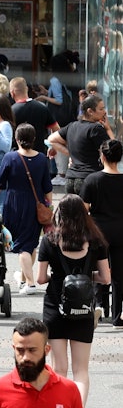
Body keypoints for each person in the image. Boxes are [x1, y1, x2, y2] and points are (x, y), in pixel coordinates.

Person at [36, 194, 110, 407]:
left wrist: (59, 276)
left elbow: (41, 278)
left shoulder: (49, 241)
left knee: (59, 369)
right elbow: (105, 278)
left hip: (54, 307)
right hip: (83, 309)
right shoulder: (96, 241)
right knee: (80, 371)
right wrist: (86, 277)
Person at [0, 123, 53, 294]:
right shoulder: (42, 158)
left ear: (17, 139)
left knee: (22, 246)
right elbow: (47, 187)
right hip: (36, 205)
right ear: (34, 139)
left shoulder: (10, 158)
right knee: (31, 243)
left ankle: (31, 283)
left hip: (14, 205)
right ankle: (25, 278)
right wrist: (48, 205)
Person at [82, 139, 123, 326]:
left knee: (99, 270)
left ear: (102, 156)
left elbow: (83, 209)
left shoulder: (92, 180)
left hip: (98, 230)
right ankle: (117, 315)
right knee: (119, 274)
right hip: (120, 230)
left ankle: (99, 306)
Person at [49, 93, 113, 195]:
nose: (104, 112)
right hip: (89, 178)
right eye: (101, 109)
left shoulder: (72, 126)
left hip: (70, 179)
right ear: (90, 111)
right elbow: (112, 151)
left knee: (74, 210)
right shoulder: (96, 129)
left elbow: (51, 139)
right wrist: (108, 129)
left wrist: (71, 153)